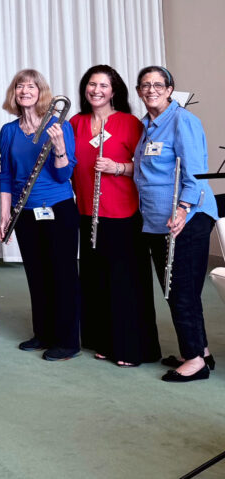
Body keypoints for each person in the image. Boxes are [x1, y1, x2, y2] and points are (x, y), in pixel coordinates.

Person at [69, 65, 160, 367]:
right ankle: (105, 342)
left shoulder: (130, 123)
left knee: (124, 283)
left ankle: (131, 348)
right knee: (97, 281)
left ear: (114, 91)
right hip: (87, 212)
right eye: (91, 84)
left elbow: (147, 166)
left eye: (103, 85)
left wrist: (118, 168)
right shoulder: (76, 122)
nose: (96, 90)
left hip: (122, 213)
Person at [132, 66, 219, 382]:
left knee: (180, 289)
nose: (151, 89)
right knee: (175, 289)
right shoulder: (148, 125)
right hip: (158, 219)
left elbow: (195, 171)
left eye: (158, 84)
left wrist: (182, 209)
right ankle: (200, 349)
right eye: (145, 84)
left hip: (188, 217)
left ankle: (194, 361)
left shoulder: (183, 120)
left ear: (169, 89)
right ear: (139, 90)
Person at [0, 69, 80, 361]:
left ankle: (68, 340)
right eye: (20, 86)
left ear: (41, 91)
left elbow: (64, 175)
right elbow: (6, 176)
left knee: (63, 274)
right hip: (26, 212)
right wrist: (5, 215)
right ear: (14, 93)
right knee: (37, 274)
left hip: (58, 208)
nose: (25, 91)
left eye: (31, 86)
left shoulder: (60, 125)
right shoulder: (9, 131)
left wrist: (59, 148)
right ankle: (43, 333)